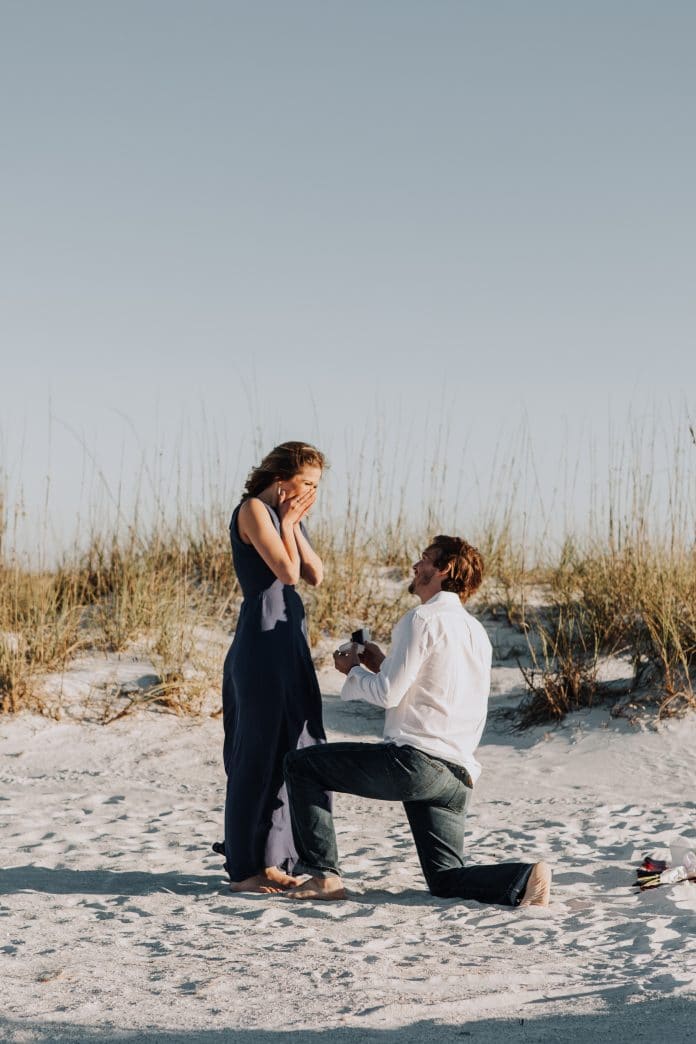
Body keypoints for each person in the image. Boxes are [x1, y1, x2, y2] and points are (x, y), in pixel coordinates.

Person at [283, 535, 552, 907]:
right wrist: (378, 663)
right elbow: (428, 686)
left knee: (301, 765)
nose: (415, 566)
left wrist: (351, 673)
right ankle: (524, 877)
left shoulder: (421, 618)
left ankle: (321, 874)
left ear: (445, 570)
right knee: (445, 879)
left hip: (415, 764)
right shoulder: (477, 633)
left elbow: (388, 694)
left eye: (424, 559)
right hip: (457, 775)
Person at [220, 440, 327, 893]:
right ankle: (246, 867)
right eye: (306, 482)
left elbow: (315, 574)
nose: (310, 492)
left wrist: (295, 525)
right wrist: (287, 521)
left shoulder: (286, 519)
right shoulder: (252, 511)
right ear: (281, 477)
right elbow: (285, 572)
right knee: (258, 750)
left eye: (316, 486)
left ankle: (278, 857)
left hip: (290, 639)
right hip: (262, 638)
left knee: (296, 744)